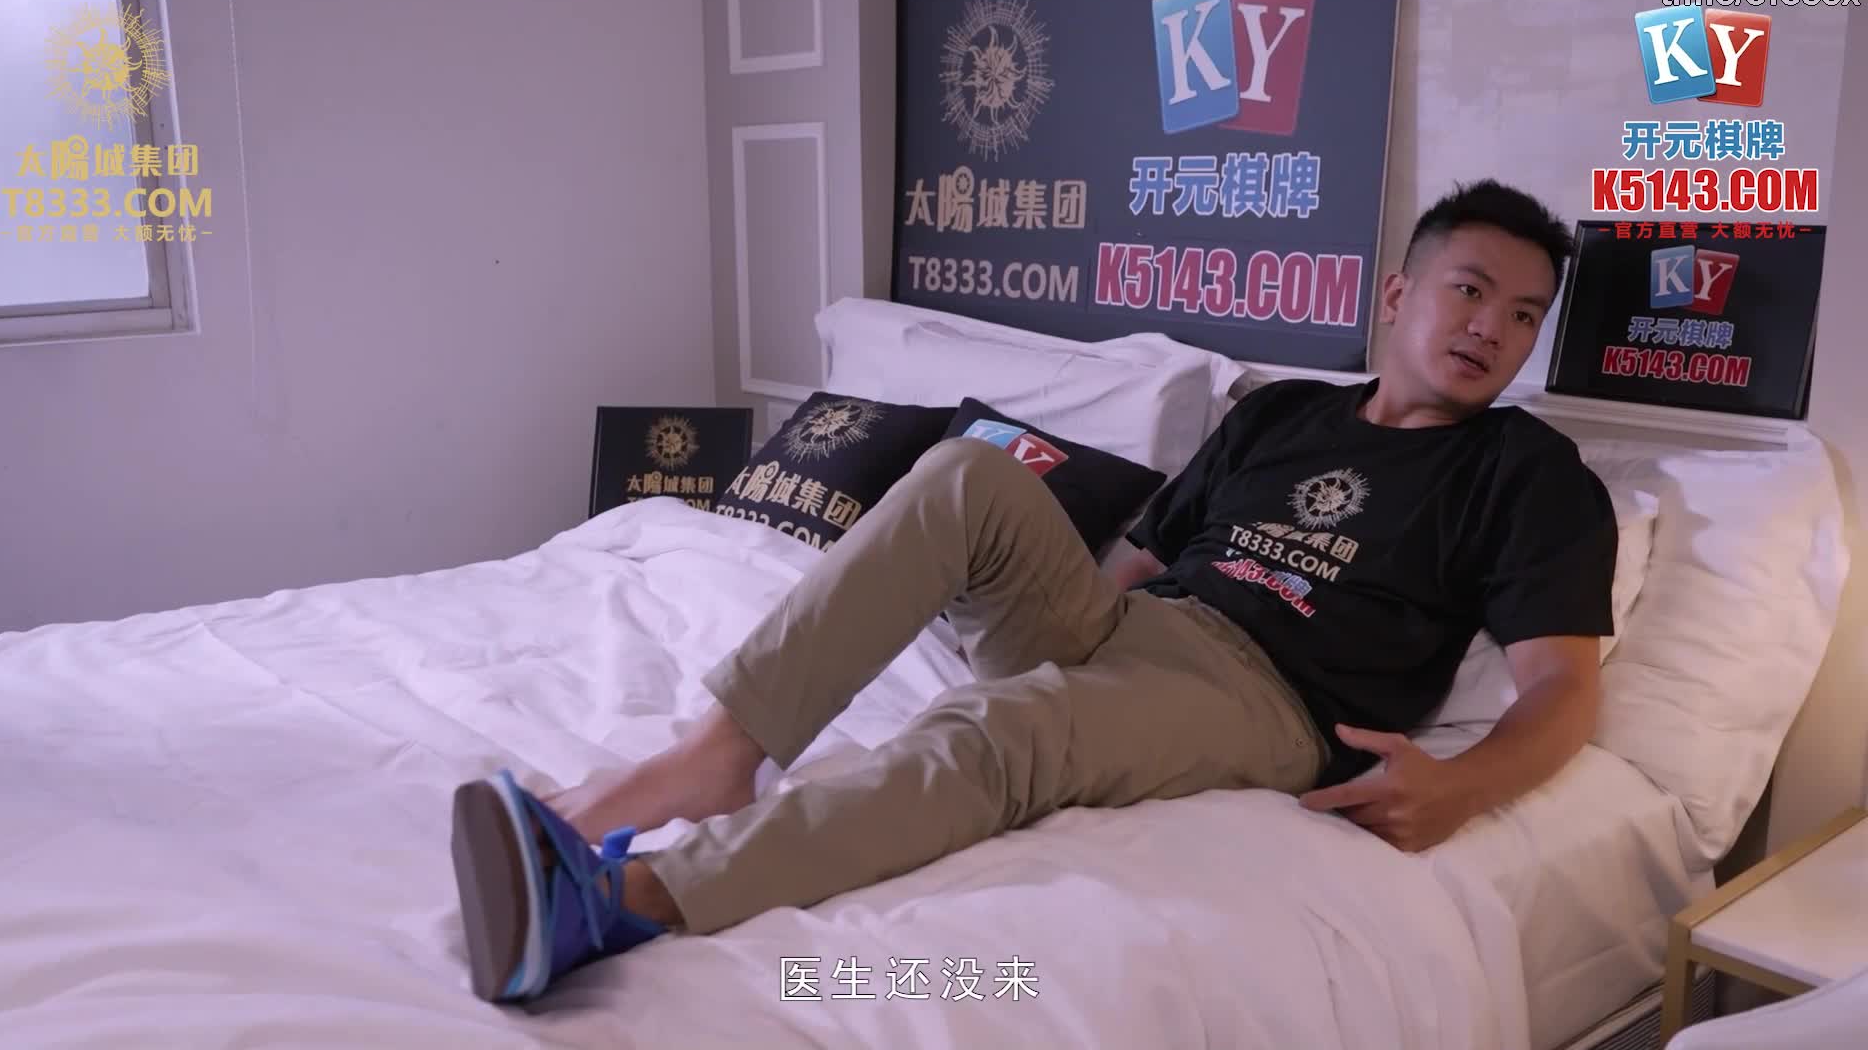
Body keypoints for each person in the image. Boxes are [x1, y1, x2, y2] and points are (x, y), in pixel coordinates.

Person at [447, 178, 1618, 1003]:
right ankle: (714, 755)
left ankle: (627, 900)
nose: (1492, 330)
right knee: (965, 475)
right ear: (1399, 292)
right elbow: (1140, 559)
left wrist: (1463, 788)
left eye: (1523, 317)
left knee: (1009, 727)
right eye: (1471, 291)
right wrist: (1072, 633)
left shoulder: (1528, 473)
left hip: (1267, 698)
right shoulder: (1282, 411)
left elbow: (1562, 690)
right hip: (1138, 628)